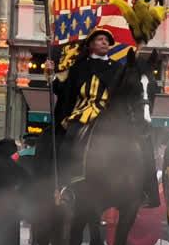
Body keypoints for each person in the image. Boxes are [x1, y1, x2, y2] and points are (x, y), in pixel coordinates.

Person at [65, 24, 161, 208]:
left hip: (110, 111)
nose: (105, 43)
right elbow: (68, 92)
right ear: (91, 44)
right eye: (100, 39)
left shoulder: (117, 67)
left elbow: (126, 90)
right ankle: (68, 185)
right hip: (84, 111)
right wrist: (52, 76)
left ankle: (148, 189)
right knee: (71, 137)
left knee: (145, 141)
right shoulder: (79, 67)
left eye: (107, 41)